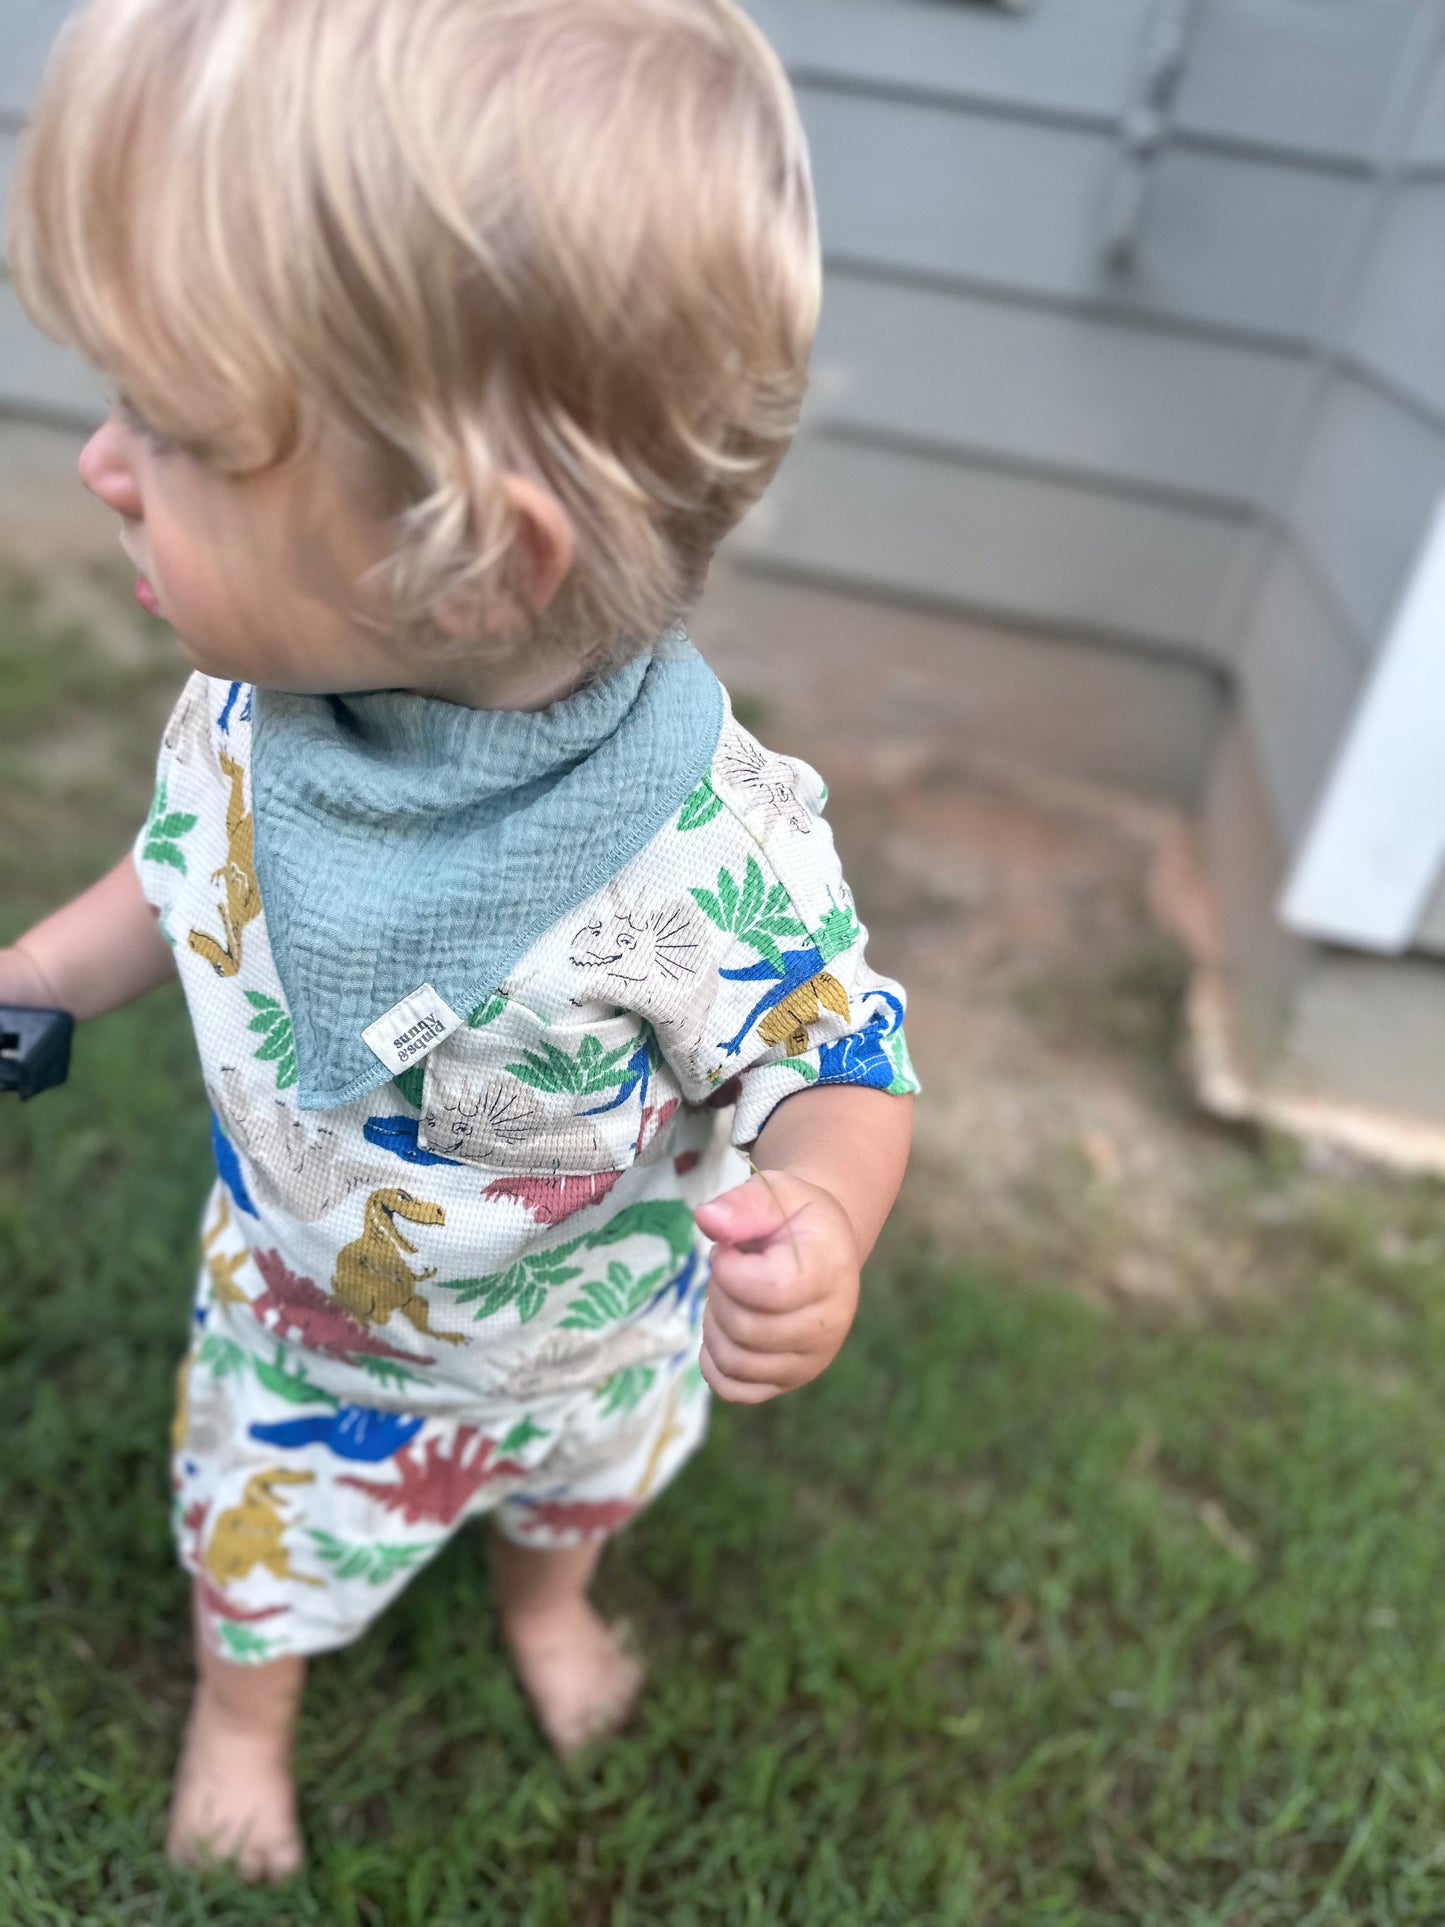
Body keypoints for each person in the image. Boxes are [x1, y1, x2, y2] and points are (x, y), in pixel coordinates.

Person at [1, 0, 917, 1882]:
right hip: (306, 1333)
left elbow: (829, 1055)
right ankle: (241, 1715)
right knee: (260, 1550)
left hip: (586, 1342)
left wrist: (819, 1216)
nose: (101, 465)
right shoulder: (261, 710)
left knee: (572, 1498)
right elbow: (184, 870)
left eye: (168, 429)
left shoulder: (698, 848)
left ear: (473, 560)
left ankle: (546, 1606)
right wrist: (38, 973)